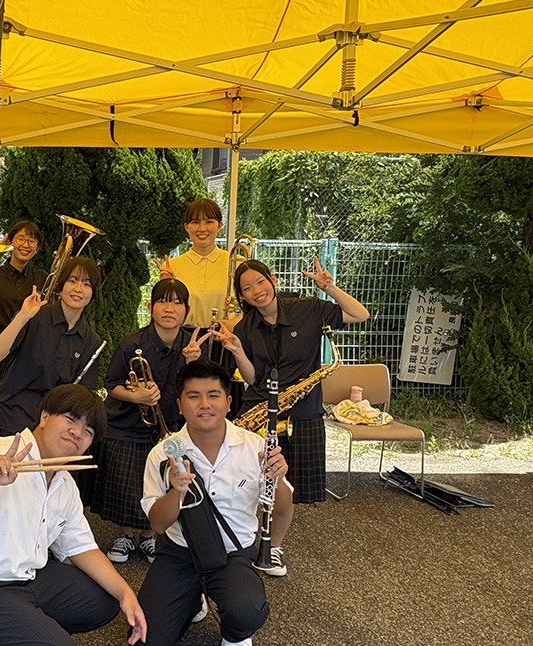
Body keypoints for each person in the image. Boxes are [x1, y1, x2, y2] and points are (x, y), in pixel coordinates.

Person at [0, 384, 147, 646]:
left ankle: (22, 627)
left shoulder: (64, 483)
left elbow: (81, 546)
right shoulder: (0, 452)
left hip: (25, 579)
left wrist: (125, 594)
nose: (77, 433)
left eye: (88, 431)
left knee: (105, 599)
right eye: (70, 419)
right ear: (44, 417)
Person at [137, 361, 291, 646]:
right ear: (180, 405)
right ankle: (193, 601)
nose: (204, 404)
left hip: (234, 554)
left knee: (246, 613)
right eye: (193, 396)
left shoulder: (256, 446)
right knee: (146, 639)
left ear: (229, 402)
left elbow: (283, 507)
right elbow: (158, 524)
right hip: (179, 553)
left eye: (213, 395)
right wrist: (176, 491)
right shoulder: (163, 453)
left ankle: (234, 636)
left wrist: (277, 476)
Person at [214, 257, 369, 510]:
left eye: (260, 282)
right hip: (259, 410)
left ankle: (276, 540)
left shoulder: (307, 309)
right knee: (248, 484)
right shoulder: (245, 327)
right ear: (242, 296)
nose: (256, 291)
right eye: (247, 288)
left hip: (302, 411)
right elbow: (253, 379)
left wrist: (329, 288)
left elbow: (360, 314)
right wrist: (237, 351)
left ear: (273, 280)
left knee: (293, 490)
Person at [93, 278, 208, 564]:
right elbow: (113, 384)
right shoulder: (132, 342)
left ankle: (149, 535)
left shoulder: (190, 344)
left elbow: (197, 388)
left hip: (170, 428)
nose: (169, 308)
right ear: (151, 307)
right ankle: (126, 534)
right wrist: (137, 397)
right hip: (127, 425)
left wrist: (194, 361)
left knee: (162, 479)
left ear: (186, 310)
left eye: (177, 302)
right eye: (162, 301)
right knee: (127, 483)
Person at [0, 256, 103, 437]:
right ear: (61, 286)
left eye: (87, 284)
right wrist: (22, 316)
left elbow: (81, 397)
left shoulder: (91, 341)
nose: (78, 289)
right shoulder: (34, 316)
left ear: (93, 293)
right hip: (13, 418)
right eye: (72, 280)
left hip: (53, 430)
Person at [154, 198, 244, 415]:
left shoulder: (237, 262)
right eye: (195, 222)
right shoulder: (173, 265)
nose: (202, 228)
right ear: (186, 227)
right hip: (185, 341)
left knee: (224, 408)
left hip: (223, 341)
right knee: (185, 404)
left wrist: (232, 323)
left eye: (209, 221)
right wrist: (165, 283)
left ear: (219, 225)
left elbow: (252, 310)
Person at [0, 219, 47, 437]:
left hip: (32, 348)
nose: (26, 244)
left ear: (37, 249)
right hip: (3, 347)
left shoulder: (42, 277)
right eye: (20, 238)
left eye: (32, 240)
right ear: (10, 241)